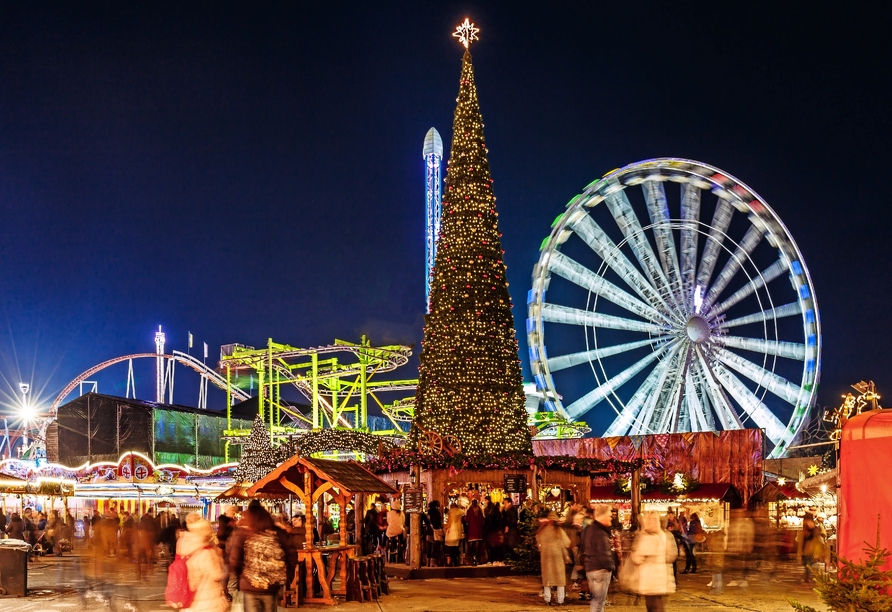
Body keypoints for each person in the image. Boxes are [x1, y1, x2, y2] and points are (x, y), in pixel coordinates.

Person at [229, 501, 290, 612]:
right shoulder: (277, 533)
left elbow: (235, 560)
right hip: (271, 586)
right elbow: (290, 555)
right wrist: (285, 578)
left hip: (249, 585)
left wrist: (240, 577)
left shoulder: (244, 533)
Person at [176, 513, 229, 612]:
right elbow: (216, 575)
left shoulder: (183, 546)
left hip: (189, 599)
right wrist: (219, 559)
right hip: (206, 600)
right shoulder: (206, 552)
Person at [629, 512, 677, 612]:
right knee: (650, 606)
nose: (653, 523)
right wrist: (641, 558)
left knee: (657, 606)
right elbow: (635, 555)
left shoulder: (665, 536)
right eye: (650, 520)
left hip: (660, 579)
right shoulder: (642, 536)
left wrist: (656, 558)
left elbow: (672, 555)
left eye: (655, 520)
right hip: (647, 580)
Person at [578, 505, 615, 612]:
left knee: (595, 600)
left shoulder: (589, 529)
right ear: (602, 516)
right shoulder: (600, 533)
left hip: (591, 568)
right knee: (599, 602)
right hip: (600, 569)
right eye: (609, 515)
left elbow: (583, 547)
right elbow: (604, 554)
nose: (611, 517)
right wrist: (611, 567)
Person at [537, 511, 571, 606]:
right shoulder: (559, 530)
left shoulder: (542, 530)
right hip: (557, 556)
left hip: (545, 556)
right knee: (560, 579)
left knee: (547, 579)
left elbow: (538, 542)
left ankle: (547, 599)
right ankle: (560, 600)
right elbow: (567, 542)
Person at [797, 514, 822, 584]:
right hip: (805, 551)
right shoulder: (804, 530)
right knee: (806, 564)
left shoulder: (814, 530)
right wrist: (799, 552)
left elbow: (817, 540)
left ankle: (807, 578)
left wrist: (817, 553)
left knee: (808, 565)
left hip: (810, 551)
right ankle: (807, 577)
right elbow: (801, 542)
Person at [465, 499, 485, 566]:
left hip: (471, 530)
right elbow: (482, 521)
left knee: (471, 546)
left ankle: (472, 558)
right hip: (478, 531)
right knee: (477, 545)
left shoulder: (469, 511)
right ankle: (477, 558)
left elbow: (467, 520)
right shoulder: (479, 511)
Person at [444, 502, 464, 567]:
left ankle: (449, 563)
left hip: (451, 533)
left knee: (450, 549)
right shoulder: (460, 512)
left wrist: (445, 528)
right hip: (457, 532)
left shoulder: (451, 513)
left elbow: (449, 523)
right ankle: (456, 562)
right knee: (456, 548)